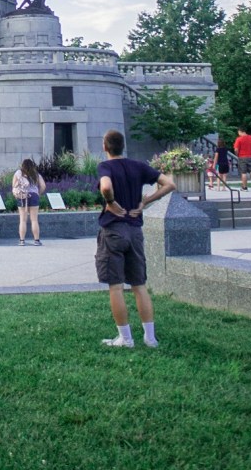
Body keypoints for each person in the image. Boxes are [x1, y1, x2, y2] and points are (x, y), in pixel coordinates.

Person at [96, 129, 176, 348]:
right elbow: (170, 184)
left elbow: (105, 186)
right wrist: (146, 201)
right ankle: (150, 338)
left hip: (113, 230)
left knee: (116, 286)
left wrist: (111, 203)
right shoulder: (138, 166)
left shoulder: (105, 167)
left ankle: (125, 338)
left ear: (105, 147)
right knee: (139, 285)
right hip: (135, 230)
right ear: (123, 146)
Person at [12, 158, 46, 245]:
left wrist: (16, 195)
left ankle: (22, 241)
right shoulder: (36, 174)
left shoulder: (18, 173)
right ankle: (36, 240)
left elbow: (14, 186)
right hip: (33, 196)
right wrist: (38, 193)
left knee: (22, 220)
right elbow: (43, 186)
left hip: (22, 196)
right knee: (34, 220)